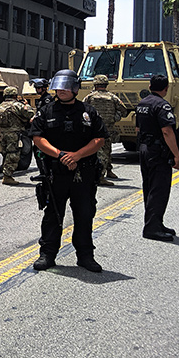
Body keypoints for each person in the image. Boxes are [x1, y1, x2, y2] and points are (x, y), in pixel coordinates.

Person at [29, 69, 108, 273]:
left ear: (75, 88)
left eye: (66, 86)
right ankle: (47, 254)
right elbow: (38, 138)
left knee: (84, 213)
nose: (61, 90)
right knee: (53, 214)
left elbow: (99, 138)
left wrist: (78, 155)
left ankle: (85, 256)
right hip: (56, 172)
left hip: (83, 171)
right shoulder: (46, 111)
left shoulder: (88, 111)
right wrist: (61, 155)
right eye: (59, 86)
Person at [136, 75, 179, 241]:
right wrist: (177, 156)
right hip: (158, 151)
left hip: (144, 149)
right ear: (166, 88)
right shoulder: (163, 105)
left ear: (149, 86)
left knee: (149, 188)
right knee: (159, 190)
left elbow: (137, 128)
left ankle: (155, 223)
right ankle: (152, 228)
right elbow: (167, 131)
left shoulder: (142, 104)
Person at [83, 74, 128, 186]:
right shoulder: (113, 97)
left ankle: (106, 171)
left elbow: (82, 110)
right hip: (107, 129)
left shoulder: (89, 97)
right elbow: (124, 111)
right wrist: (114, 117)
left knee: (98, 151)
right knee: (106, 151)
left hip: (93, 129)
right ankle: (101, 176)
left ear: (95, 84)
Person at [0, 86, 35, 186]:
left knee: (6, 153)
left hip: (4, 133)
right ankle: (7, 177)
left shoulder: (0, 106)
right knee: (13, 154)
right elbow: (30, 113)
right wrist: (26, 105)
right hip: (14, 134)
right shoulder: (17, 105)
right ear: (15, 95)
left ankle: (5, 173)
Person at [29, 78, 54, 182]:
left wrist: (35, 118)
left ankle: (47, 172)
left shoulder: (47, 99)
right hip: (42, 127)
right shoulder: (42, 99)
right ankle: (43, 172)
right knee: (39, 151)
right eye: (36, 88)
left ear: (44, 88)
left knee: (43, 151)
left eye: (39, 88)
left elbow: (45, 113)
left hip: (46, 129)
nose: (37, 90)